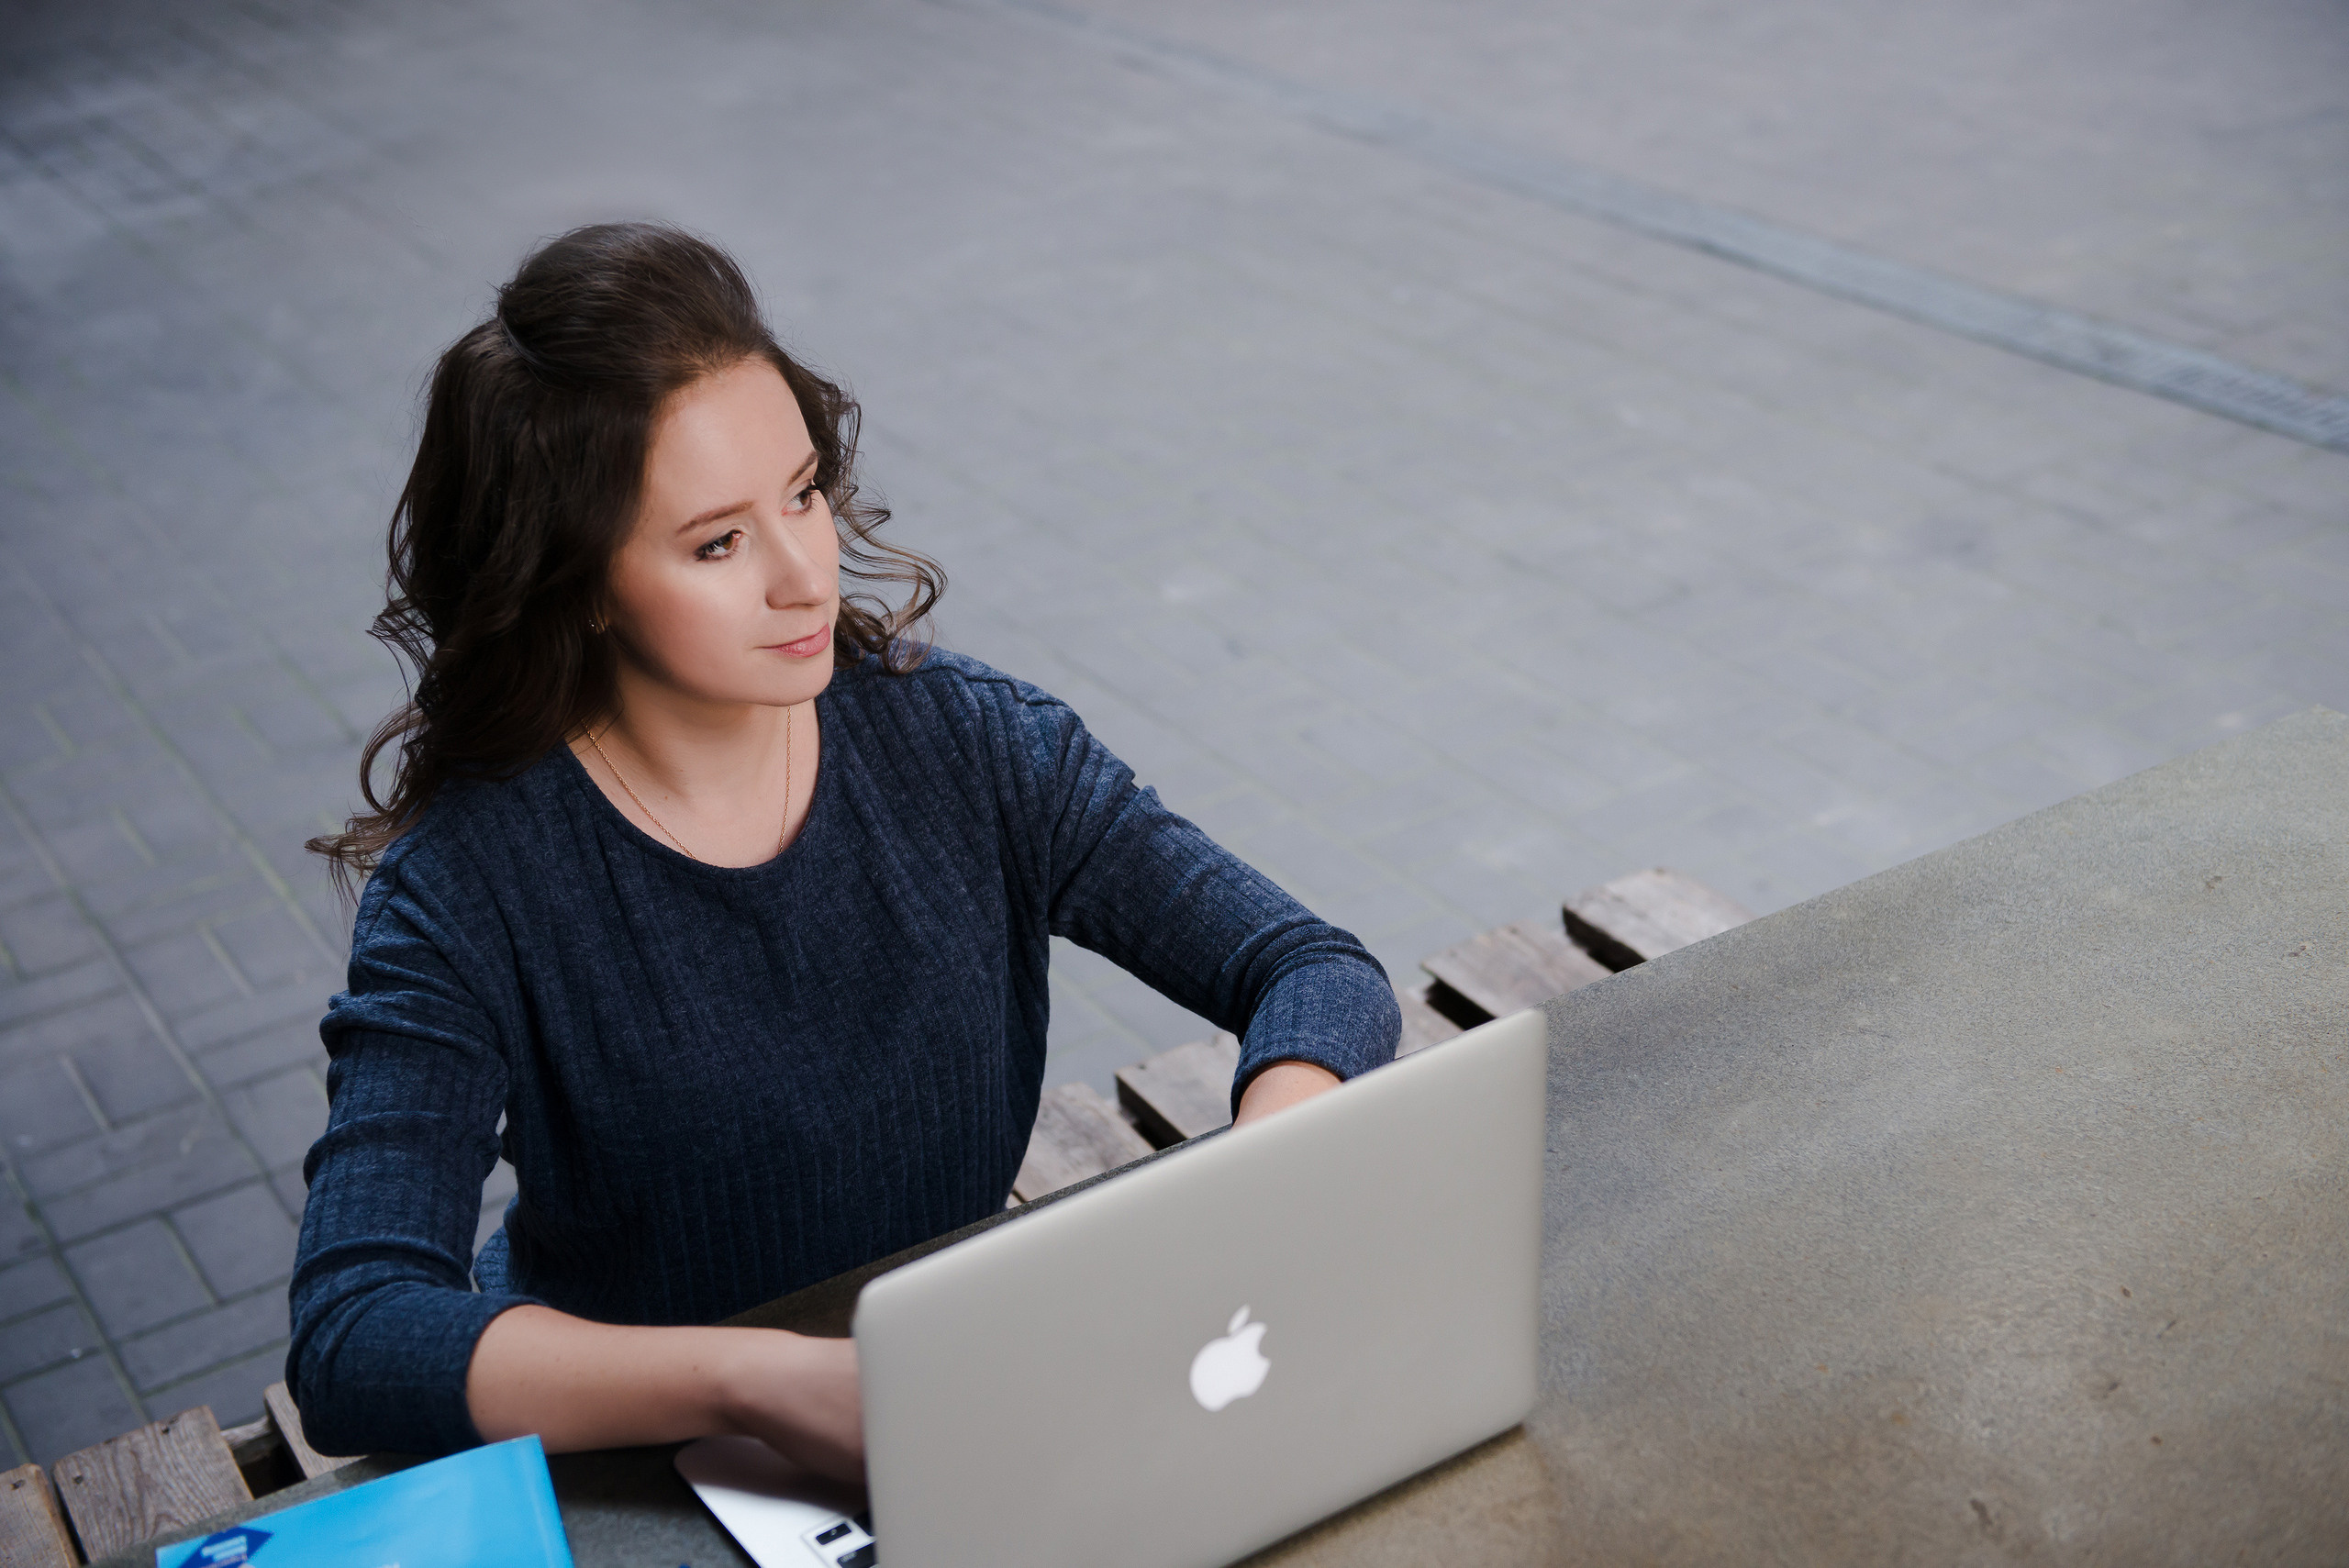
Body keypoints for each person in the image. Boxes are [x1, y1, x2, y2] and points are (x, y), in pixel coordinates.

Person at [287, 222, 1400, 1480]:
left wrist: (1269, 1160)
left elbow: (1312, 965)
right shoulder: (471, 887)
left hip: (959, 1399)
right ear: (582, 582)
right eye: (718, 543)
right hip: (656, 1461)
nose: (805, 574)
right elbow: (355, 1332)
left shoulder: (968, 739)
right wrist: (748, 1379)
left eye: (804, 493)